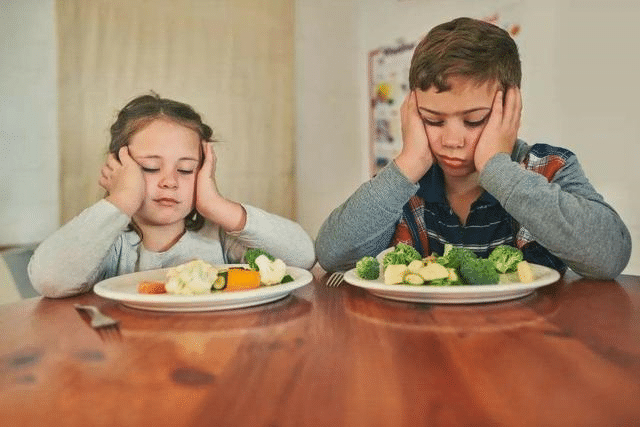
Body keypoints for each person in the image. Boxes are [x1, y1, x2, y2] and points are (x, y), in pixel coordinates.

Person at [315, 17, 631, 279]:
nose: (452, 141)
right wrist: (408, 164)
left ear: (511, 108)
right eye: (433, 120)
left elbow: (610, 256)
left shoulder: (548, 166)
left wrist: (497, 168)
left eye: (475, 120)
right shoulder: (403, 186)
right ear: (413, 111)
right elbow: (333, 255)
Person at [29, 93, 315, 297]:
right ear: (118, 168)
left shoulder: (220, 238)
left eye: (187, 170)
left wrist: (216, 205)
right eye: (151, 167)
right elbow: (49, 279)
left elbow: (301, 256)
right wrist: (122, 200)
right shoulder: (110, 247)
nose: (170, 182)